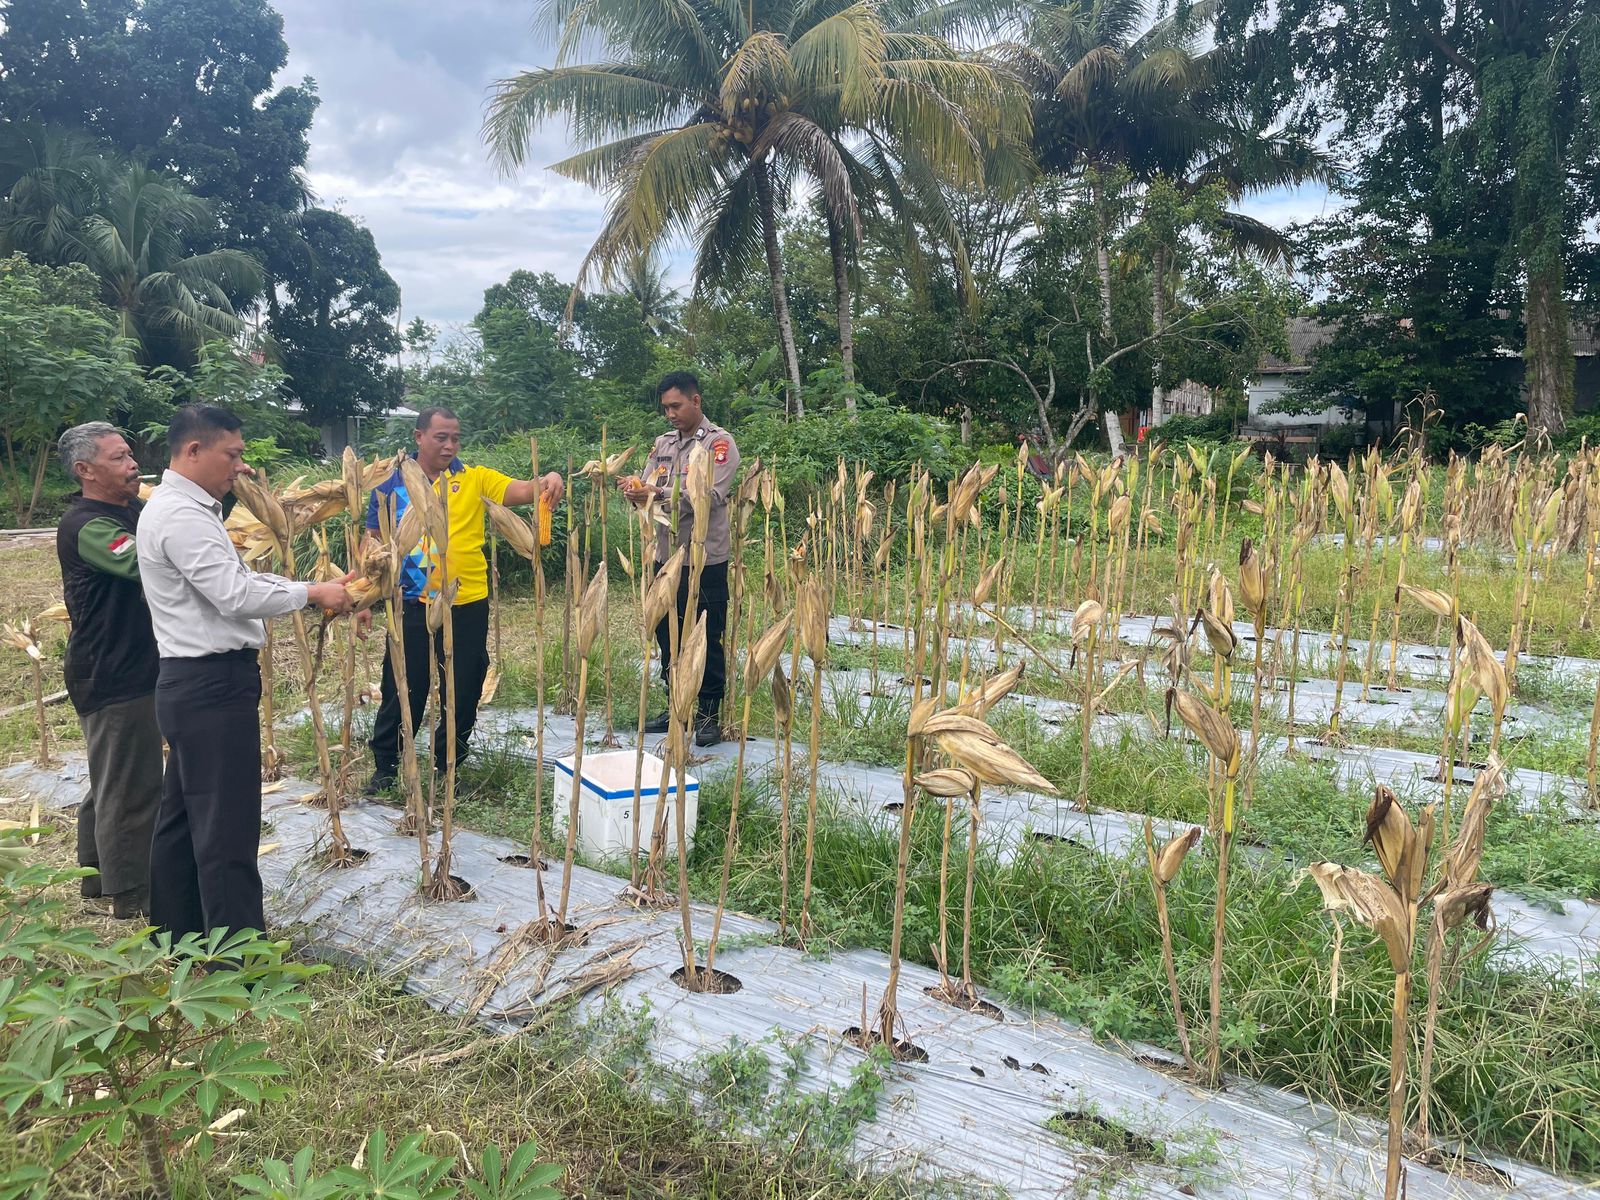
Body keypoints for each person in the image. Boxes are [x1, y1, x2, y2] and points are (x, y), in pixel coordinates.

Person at [137, 405, 354, 942]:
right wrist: (311, 592)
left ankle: (176, 934)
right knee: (226, 829)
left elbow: (229, 582)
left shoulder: (182, 509)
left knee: (184, 818)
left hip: (192, 684)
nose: (241, 467)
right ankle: (239, 960)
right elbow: (234, 594)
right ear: (193, 451)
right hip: (210, 686)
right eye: (231, 454)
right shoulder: (183, 517)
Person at [361, 406, 563, 792]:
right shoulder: (391, 483)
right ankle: (386, 764)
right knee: (405, 683)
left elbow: (522, 489)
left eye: (455, 437)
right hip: (412, 599)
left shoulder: (474, 478)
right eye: (441, 437)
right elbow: (371, 543)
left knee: (466, 683)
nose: (450, 445)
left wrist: (549, 479)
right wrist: (364, 600)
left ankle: (448, 760)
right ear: (419, 437)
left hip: (467, 599)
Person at [55, 422, 161, 920]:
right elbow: (147, 562)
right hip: (111, 671)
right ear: (85, 470)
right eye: (119, 458)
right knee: (131, 786)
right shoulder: (89, 525)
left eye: (130, 454)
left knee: (113, 778)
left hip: (126, 664)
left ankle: (96, 877)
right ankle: (132, 895)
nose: (132, 463)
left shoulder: (132, 509)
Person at [622, 371, 739, 747]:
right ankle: (676, 704)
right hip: (666, 555)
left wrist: (657, 492)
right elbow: (647, 485)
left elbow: (709, 494)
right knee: (667, 632)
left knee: (707, 634)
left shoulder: (719, 444)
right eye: (666, 408)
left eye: (676, 405)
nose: (670, 414)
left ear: (696, 401)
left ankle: (708, 714)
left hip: (705, 555)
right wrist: (634, 489)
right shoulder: (662, 444)